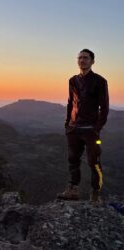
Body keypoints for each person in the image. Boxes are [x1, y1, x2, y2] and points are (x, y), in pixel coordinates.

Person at [57, 48, 109, 203]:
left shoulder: (100, 81)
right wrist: (67, 124)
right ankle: (73, 189)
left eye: (85, 58)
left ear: (92, 61)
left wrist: (96, 129)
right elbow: (70, 103)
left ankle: (95, 193)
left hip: (90, 130)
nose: (82, 60)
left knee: (94, 162)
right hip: (74, 129)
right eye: (79, 58)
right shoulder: (73, 80)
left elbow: (104, 108)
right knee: (73, 159)